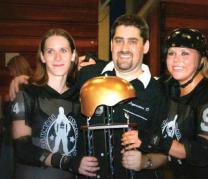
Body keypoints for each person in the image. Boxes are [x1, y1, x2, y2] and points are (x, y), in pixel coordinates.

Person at [8, 14, 167, 179]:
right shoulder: (87, 75)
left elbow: (165, 151)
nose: (124, 48)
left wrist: (145, 161)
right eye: (119, 40)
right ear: (112, 44)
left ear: (146, 46)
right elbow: (56, 78)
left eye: (132, 41)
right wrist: (25, 80)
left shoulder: (160, 91)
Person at [122, 28, 208, 179]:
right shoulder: (168, 87)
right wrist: (145, 162)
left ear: (201, 60)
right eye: (171, 53)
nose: (176, 60)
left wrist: (151, 139)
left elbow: (202, 153)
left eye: (185, 53)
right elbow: (136, 77)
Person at [10, 28, 99, 179]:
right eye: (50, 51)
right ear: (43, 57)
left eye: (63, 50)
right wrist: (67, 162)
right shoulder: (27, 93)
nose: (57, 57)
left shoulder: (81, 97)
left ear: (73, 55)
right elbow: (22, 148)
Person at [0, 55, 33, 179]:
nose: (10, 73)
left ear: (16, 68)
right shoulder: (16, 85)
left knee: (8, 170)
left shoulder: (28, 86)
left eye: (11, 69)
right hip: (11, 136)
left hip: (14, 138)